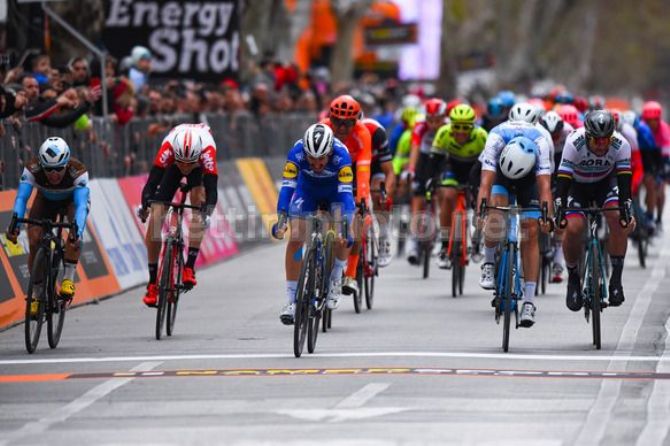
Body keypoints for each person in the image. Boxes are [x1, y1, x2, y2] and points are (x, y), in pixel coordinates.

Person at [272, 123, 355, 324]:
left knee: (342, 236)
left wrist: (346, 226)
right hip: (307, 191)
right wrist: (281, 219)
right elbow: (287, 188)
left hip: (335, 192)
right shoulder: (296, 153)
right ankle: (292, 301)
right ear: (305, 153)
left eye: (321, 160)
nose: (317, 165)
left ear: (329, 152)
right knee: (296, 236)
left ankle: (335, 278)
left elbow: (346, 195)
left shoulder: (342, 156)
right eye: (312, 159)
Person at [476, 119, 554, 328]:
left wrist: (547, 218)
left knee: (531, 231)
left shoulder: (540, 144)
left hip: (530, 181)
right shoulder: (495, 139)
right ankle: (489, 262)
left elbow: (545, 188)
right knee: (495, 213)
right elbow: (485, 184)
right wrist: (480, 214)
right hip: (500, 176)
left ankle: (529, 302)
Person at [555, 110, 634, 310]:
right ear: (587, 135)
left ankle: (616, 279)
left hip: (604, 184)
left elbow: (625, 184)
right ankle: (573, 278)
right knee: (573, 228)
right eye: (596, 140)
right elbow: (563, 181)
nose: (601, 145)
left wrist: (627, 212)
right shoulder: (574, 142)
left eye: (605, 140)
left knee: (617, 218)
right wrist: (559, 210)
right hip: (576, 186)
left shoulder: (621, 144)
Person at [6, 137, 89, 313]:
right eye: (48, 169)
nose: (53, 174)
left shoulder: (78, 171)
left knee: (75, 235)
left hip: (71, 201)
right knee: (35, 240)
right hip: (45, 199)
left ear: (66, 164)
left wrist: (77, 229)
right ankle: (37, 295)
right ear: (41, 164)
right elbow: (21, 198)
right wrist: (14, 224)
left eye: (58, 169)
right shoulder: (32, 168)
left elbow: (82, 205)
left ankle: (68, 277)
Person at [138, 123, 218, 307]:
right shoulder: (169, 148)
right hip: (170, 167)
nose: (185, 167)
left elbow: (212, 190)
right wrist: (146, 207)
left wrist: (206, 214)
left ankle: (189, 267)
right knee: (156, 216)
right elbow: (150, 185)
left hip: (199, 171)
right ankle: (152, 283)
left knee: (199, 200)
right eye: (182, 162)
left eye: (188, 163)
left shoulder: (206, 151)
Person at [321, 95, 372, 296]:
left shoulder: (363, 134)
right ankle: (318, 255)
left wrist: (361, 196)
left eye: (348, 123)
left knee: (358, 220)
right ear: (330, 119)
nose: (342, 128)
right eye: (337, 122)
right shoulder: (323, 128)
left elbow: (363, 168)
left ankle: (349, 274)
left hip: (350, 173)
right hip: (326, 171)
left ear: (356, 121)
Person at [431, 104, 488, 268]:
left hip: (474, 169)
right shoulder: (443, 133)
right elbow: (434, 161)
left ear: (473, 126)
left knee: (480, 202)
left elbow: (490, 165)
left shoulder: (482, 136)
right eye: (457, 127)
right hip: (452, 168)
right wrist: (431, 180)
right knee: (447, 196)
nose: (461, 132)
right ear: (451, 125)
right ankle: (443, 244)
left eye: (465, 127)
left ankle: (477, 240)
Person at [406, 98, 448, 264]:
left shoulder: (449, 126)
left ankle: (438, 229)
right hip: (424, 158)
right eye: (430, 120)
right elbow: (415, 149)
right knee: (418, 196)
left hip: (442, 158)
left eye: (437, 120)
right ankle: (415, 239)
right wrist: (410, 170)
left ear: (444, 117)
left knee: (442, 191)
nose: (433, 124)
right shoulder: (420, 126)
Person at [539, 111, 574, 282]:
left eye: (556, 135)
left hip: (562, 162)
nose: (553, 138)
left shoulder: (569, 133)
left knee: (561, 211)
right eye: (550, 135)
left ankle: (558, 259)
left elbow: (570, 163)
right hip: (545, 161)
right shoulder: (539, 134)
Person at [362, 116, 395, 267]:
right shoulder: (339, 133)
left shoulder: (376, 132)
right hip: (353, 164)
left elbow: (389, 172)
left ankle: (383, 236)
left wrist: (385, 193)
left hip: (375, 165)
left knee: (378, 193)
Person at [640, 101, 670, 231]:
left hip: (659, 156)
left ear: (658, 119)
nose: (652, 124)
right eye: (648, 121)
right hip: (644, 155)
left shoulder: (664, 130)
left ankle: (657, 218)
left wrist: (663, 173)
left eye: (654, 120)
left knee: (660, 187)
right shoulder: (641, 128)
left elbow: (666, 153)